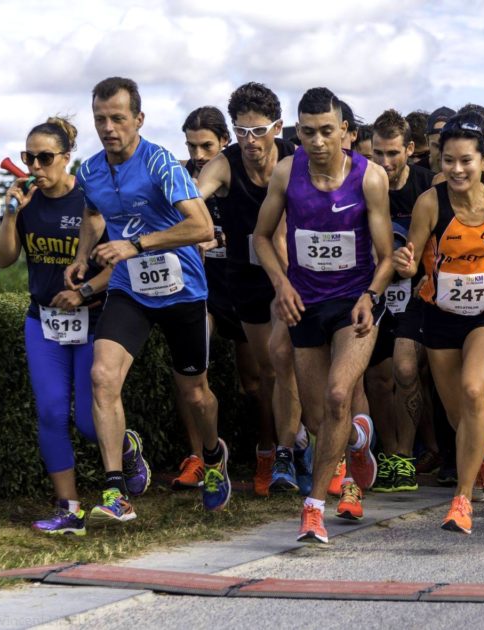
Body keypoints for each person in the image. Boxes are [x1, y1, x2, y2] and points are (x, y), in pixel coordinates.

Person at [66, 77, 231, 523]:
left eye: (118, 118)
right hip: (130, 289)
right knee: (102, 376)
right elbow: (93, 211)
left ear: (138, 119)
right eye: (100, 119)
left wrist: (135, 245)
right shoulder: (90, 169)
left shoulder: (161, 164)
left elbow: (200, 228)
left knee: (195, 394)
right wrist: (83, 256)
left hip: (183, 289)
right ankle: (116, 490)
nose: (108, 127)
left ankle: (214, 456)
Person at [253, 87, 393, 543]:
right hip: (305, 303)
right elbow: (261, 237)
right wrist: (283, 284)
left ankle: (313, 509)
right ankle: (354, 442)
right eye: (308, 132)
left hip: (354, 303)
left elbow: (387, 256)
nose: (316, 141)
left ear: (346, 134)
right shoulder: (285, 173)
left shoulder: (370, 178)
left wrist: (370, 295)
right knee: (316, 420)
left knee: (338, 395)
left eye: (327, 132)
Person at [393, 113, 484, 534]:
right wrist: (405, 262)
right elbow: (412, 253)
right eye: (449, 161)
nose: (456, 169)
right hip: (440, 315)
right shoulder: (429, 203)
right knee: (461, 418)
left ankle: (462, 498)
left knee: (476, 389)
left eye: (466, 161)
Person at [0, 116, 112, 535]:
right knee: (51, 411)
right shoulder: (27, 203)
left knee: (87, 420)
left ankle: (126, 453)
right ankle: (69, 509)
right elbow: (4, 259)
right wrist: (10, 216)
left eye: (45, 158)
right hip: (43, 321)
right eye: (29, 158)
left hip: (93, 317)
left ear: (66, 158)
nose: (36, 167)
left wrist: (86, 290)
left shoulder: (89, 198)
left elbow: (118, 260)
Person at [195, 83, 302, 498]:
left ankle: (290, 451)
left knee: (289, 359)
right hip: (247, 276)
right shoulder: (225, 164)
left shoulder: (297, 157)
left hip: (294, 275)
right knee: (267, 370)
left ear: (277, 127)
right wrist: (194, 222)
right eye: (240, 131)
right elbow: (197, 194)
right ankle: (279, 448)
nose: (249, 141)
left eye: (258, 131)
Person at [171, 106, 258, 492]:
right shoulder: (180, 179)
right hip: (199, 289)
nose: (198, 154)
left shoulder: (237, 171)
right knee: (189, 376)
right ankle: (199, 457)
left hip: (240, 284)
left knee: (254, 380)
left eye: (206, 145)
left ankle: (269, 452)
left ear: (224, 142)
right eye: (191, 146)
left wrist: (219, 238)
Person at [368, 108, 435, 493]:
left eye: (393, 153)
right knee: (377, 378)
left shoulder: (427, 186)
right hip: (376, 290)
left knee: (407, 373)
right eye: (378, 153)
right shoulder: (362, 183)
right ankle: (391, 454)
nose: (385, 162)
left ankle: (407, 455)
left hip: (418, 294)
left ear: (410, 149)